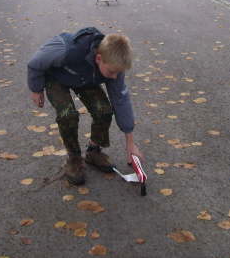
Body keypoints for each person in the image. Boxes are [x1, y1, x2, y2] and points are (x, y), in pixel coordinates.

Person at [27, 27, 143, 185]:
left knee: (103, 110)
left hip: (85, 78)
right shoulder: (65, 49)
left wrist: (130, 143)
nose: (114, 77)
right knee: (67, 114)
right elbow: (35, 64)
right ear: (99, 59)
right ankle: (74, 158)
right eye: (111, 72)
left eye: (118, 73)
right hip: (56, 77)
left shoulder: (114, 66)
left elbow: (120, 100)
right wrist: (36, 89)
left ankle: (93, 152)